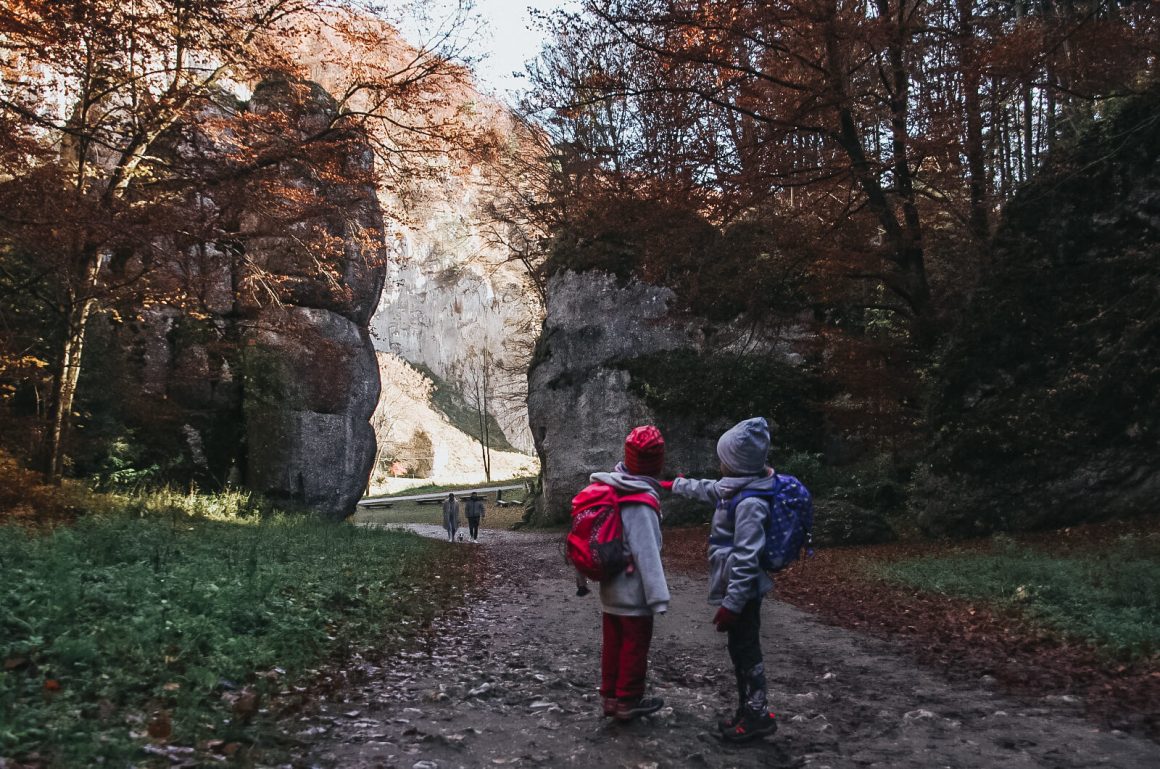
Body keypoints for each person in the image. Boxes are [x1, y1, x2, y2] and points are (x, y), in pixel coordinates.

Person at [666, 417, 788, 743]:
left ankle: (757, 716)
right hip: (739, 589)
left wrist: (732, 605)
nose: (719, 462)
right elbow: (708, 488)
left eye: (723, 457)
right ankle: (749, 710)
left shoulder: (750, 503)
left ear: (735, 464)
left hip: (744, 591)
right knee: (740, 649)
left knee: (746, 651)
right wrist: (674, 485)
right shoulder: (738, 487)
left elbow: (747, 561)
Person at [592, 425, 671, 722]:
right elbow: (647, 554)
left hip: (610, 587)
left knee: (612, 643)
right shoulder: (641, 502)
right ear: (657, 464)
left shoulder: (612, 489)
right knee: (634, 645)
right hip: (633, 591)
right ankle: (628, 699)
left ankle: (610, 698)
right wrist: (658, 597)